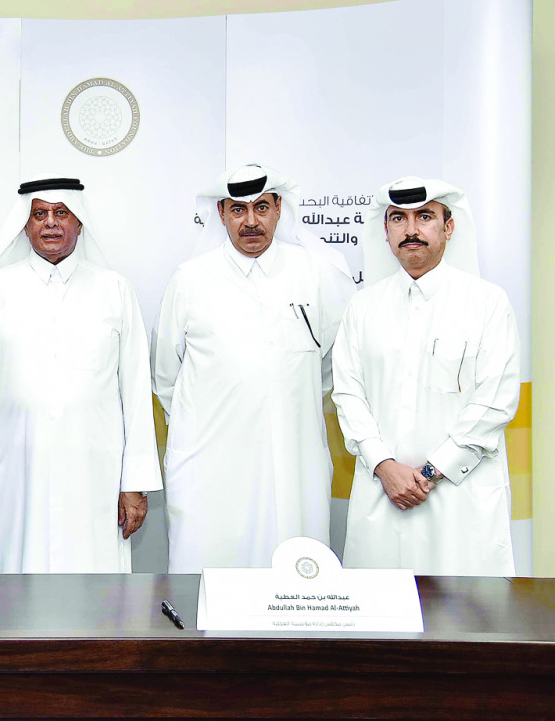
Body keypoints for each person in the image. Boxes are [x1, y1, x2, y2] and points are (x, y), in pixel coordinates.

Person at [0, 176, 161, 573]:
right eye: (40, 214)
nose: (50, 223)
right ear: (25, 225)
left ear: (79, 222)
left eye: (61, 213)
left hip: (96, 478)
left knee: (96, 594)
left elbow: (135, 394)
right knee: (13, 589)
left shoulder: (114, 289)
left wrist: (135, 483)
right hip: (13, 477)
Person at [153, 164, 355, 573]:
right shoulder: (191, 279)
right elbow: (166, 375)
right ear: (222, 214)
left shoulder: (316, 273)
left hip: (293, 455)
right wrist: (212, 419)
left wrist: (281, 400)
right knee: (211, 572)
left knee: (293, 576)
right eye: (238, 210)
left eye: (261, 207)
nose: (250, 222)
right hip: (210, 461)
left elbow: (336, 363)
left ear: (279, 209)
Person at [332, 177, 520, 576]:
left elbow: (495, 402)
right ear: (385, 232)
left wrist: (429, 474)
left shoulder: (487, 302)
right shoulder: (363, 307)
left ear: (448, 227)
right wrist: (385, 466)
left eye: (425, 217)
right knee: (380, 624)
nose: (411, 229)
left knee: (464, 624)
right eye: (398, 218)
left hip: (458, 496)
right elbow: (348, 395)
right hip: (382, 492)